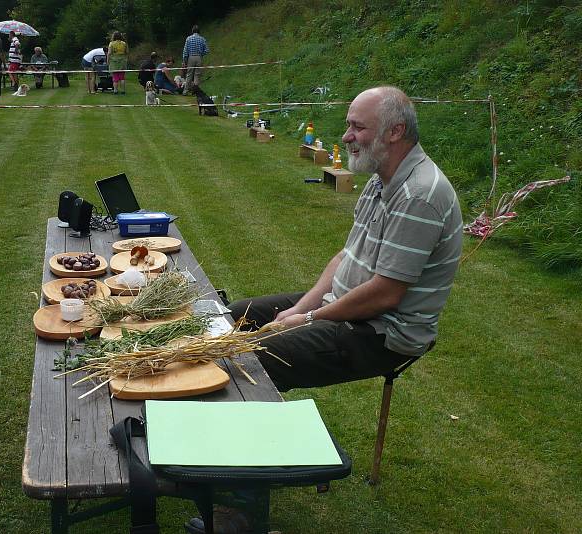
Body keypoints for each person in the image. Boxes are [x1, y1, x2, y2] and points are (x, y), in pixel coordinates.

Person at [187, 86, 464, 534]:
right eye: (349, 125)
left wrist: (309, 319)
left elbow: (386, 294)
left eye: (358, 127)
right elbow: (345, 258)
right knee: (234, 315)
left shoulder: (420, 194)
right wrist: (299, 307)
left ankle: (241, 514)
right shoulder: (382, 177)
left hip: (384, 332)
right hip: (350, 307)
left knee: (255, 361)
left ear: (394, 132)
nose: (348, 136)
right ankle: (201, 445)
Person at [182, 24, 208, 95]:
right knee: (197, 75)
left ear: (192, 31)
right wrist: (201, 54)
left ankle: (185, 91)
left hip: (191, 57)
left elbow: (185, 51)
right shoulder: (202, 39)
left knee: (189, 75)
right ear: (199, 31)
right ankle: (196, 91)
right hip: (199, 57)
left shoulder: (188, 38)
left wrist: (184, 60)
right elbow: (206, 50)